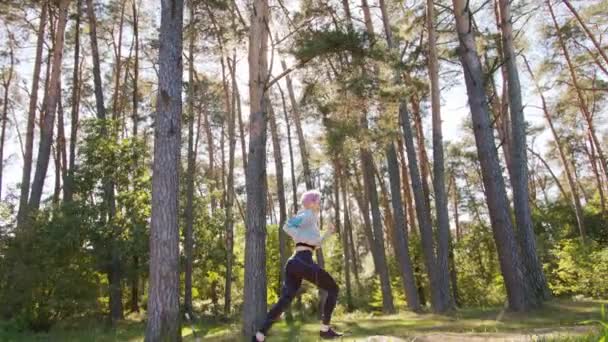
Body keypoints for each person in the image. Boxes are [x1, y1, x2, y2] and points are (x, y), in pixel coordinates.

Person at [252, 190, 344, 341]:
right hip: (302, 261)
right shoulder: (307, 215)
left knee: (285, 300)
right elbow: (287, 226)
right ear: (311, 203)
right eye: (318, 201)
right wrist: (304, 238)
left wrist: (327, 233)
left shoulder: (311, 220)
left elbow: (316, 243)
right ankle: (325, 329)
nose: (320, 204)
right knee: (333, 288)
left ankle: (259, 336)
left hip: (296, 263)